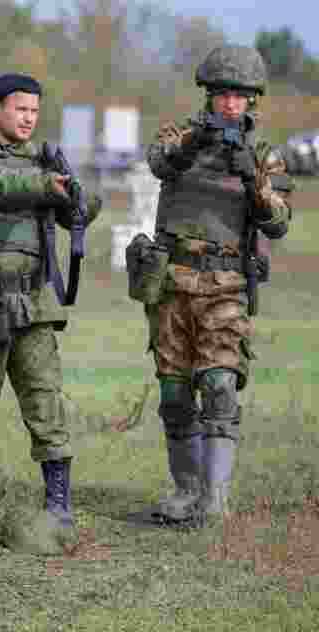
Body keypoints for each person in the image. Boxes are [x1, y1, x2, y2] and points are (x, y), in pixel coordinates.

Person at [135, 46, 292, 524]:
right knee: (174, 392)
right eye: (222, 94)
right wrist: (193, 144)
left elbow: (279, 223)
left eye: (239, 96)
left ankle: (215, 501)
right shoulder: (181, 134)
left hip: (226, 284)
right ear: (208, 94)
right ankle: (186, 493)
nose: (230, 104)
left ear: (252, 101)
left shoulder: (265, 154)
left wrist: (253, 181)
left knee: (220, 385)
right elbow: (159, 164)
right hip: (172, 282)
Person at [0, 74, 101, 530]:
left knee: (45, 401)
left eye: (34, 110)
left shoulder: (46, 159)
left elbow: (83, 207)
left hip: (33, 301)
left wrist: (77, 198)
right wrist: (47, 186)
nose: (28, 118)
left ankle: (58, 501)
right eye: (19, 109)